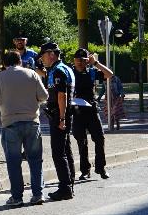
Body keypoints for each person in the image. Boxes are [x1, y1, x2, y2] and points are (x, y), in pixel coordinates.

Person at [0, 51, 49, 205]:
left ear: (4, 64)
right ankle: (38, 194)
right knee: (35, 160)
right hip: (32, 122)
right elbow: (44, 96)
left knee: (13, 162)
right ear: (20, 61)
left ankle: (16, 197)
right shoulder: (32, 74)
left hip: (10, 123)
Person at [39, 41, 76, 200]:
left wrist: (61, 118)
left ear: (51, 54)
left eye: (43, 55)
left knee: (58, 153)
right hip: (63, 114)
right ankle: (69, 184)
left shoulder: (59, 71)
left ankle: (65, 188)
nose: (42, 59)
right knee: (66, 151)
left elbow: (62, 96)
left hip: (60, 115)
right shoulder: (65, 68)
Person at [70, 48, 113, 181]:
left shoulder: (92, 72)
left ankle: (101, 168)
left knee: (99, 139)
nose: (80, 63)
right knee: (81, 142)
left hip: (92, 111)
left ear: (87, 61)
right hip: (77, 111)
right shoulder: (70, 72)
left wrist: (96, 63)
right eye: (78, 60)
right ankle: (85, 170)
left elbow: (109, 74)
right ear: (74, 60)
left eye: (83, 60)